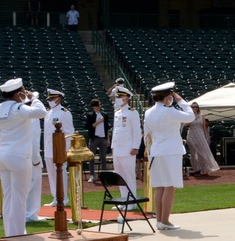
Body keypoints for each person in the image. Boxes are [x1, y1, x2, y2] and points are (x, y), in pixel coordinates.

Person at [0, 79, 48, 237]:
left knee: (9, 197)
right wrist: (34, 98)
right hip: (18, 156)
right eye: (22, 91)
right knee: (20, 198)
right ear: (18, 93)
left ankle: (10, 233)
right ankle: (18, 235)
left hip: (2, 156)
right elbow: (42, 112)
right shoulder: (19, 108)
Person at [143, 82, 195, 230]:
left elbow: (147, 134)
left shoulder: (148, 112)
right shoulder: (169, 111)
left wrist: (149, 151)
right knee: (170, 186)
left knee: (160, 187)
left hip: (156, 151)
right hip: (171, 151)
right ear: (167, 97)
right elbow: (190, 116)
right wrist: (181, 101)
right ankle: (165, 220)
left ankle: (160, 220)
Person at [110, 85, 142, 215]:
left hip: (128, 150)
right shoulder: (117, 112)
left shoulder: (132, 112)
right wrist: (112, 146)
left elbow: (137, 131)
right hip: (117, 149)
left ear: (126, 98)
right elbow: (115, 131)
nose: (117, 99)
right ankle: (124, 199)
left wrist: (135, 147)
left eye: (120, 96)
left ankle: (132, 201)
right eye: (117, 97)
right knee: (120, 176)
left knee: (129, 176)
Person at [41, 88, 75, 208]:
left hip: (59, 149)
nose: (50, 101)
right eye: (49, 99)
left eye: (52, 98)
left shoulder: (64, 112)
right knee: (51, 174)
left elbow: (69, 133)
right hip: (49, 149)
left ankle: (63, 198)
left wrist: (66, 150)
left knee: (60, 174)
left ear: (58, 99)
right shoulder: (48, 113)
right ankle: (55, 197)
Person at [186, 103, 220, 177]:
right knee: (193, 153)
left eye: (196, 107)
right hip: (192, 135)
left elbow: (204, 127)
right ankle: (196, 170)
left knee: (203, 152)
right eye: (193, 107)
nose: (194, 108)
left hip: (200, 135)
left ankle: (204, 168)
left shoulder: (202, 116)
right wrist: (192, 118)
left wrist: (205, 136)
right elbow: (186, 124)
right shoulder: (189, 115)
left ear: (198, 108)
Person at [83, 98, 110, 181]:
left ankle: (104, 175)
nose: (99, 106)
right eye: (98, 105)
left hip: (103, 138)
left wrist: (108, 139)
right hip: (94, 138)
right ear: (94, 106)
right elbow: (89, 127)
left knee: (103, 158)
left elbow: (107, 128)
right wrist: (99, 121)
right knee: (91, 157)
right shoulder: (90, 115)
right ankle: (92, 175)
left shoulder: (104, 114)